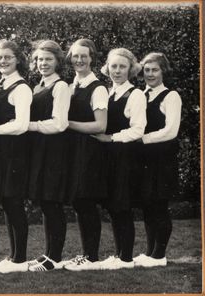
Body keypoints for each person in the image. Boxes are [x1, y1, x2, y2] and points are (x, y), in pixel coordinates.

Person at [94, 48, 146, 270]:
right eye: (113, 66)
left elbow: (138, 130)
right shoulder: (106, 92)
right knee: (114, 207)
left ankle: (126, 258)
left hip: (125, 157)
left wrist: (111, 137)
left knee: (122, 207)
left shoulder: (135, 95)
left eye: (122, 66)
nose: (117, 71)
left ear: (131, 69)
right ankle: (119, 255)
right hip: (108, 157)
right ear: (107, 68)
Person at [63, 39, 109, 271]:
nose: (79, 60)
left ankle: (91, 258)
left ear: (92, 58)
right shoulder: (72, 85)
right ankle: (87, 254)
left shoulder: (98, 87)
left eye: (84, 56)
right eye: (75, 56)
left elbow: (100, 126)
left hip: (90, 151)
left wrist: (67, 123)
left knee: (86, 202)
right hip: (74, 150)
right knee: (80, 202)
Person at [25, 40, 71, 272]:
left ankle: (55, 258)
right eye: (40, 59)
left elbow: (60, 124)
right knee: (45, 203)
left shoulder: (61, 86)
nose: (43, 63)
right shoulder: (37, 86)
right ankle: (47, 255)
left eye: (48, 59)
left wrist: (28, 125)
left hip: (54, 151)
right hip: (39, 150)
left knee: (52, 203)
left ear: (57, 62)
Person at [0, 39, 33, 273]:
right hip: (1, 153)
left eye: (8, 57)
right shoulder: (1, 83)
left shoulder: (22, 88)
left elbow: (21, 125)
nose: (3, 61)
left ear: (18, 60)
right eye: (0, 57)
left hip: (15, 153)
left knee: (14, 203)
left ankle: (20, 259)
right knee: (7, 202)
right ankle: (14, 255)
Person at [133, 52, 182, 268]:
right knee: (147, 205)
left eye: (155, 70)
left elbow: (171, 130)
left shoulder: (171, 96)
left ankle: (159, 255)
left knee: (159, 206)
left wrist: (142, 139)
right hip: (143, 160)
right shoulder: (141, 95)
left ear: (163, 71)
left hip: (162, 160)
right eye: (147, 70)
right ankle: (150, 252)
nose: (150, 74)